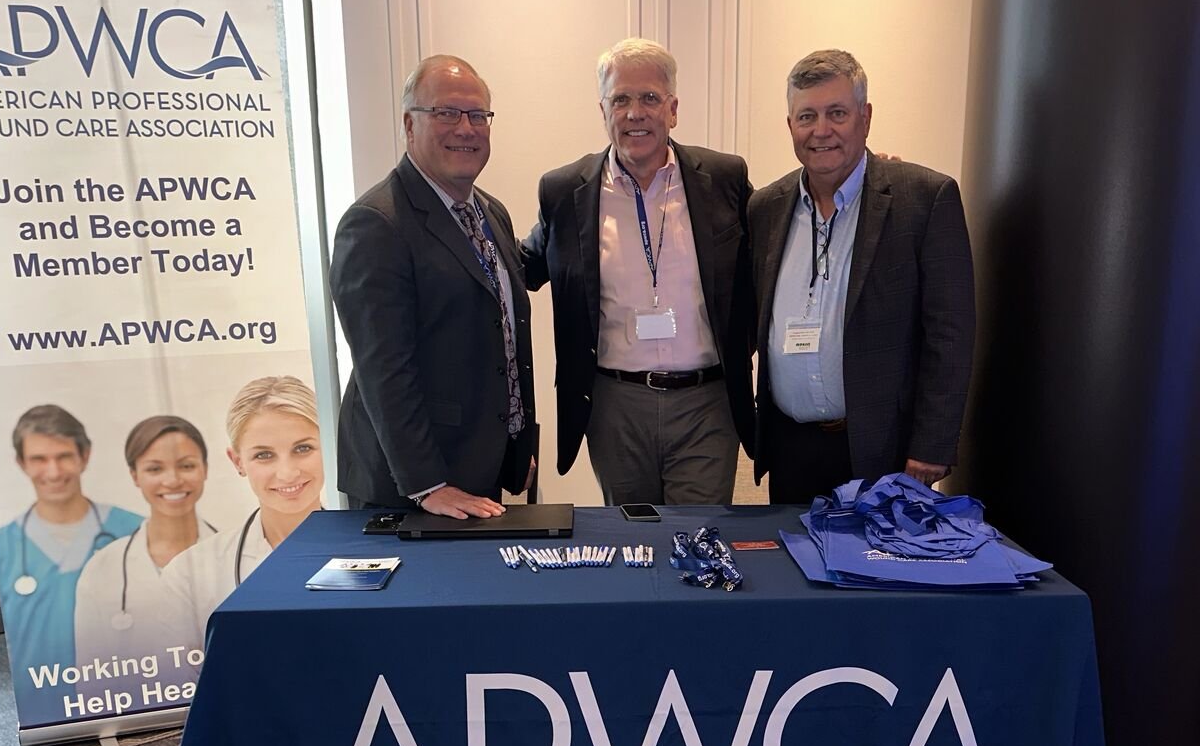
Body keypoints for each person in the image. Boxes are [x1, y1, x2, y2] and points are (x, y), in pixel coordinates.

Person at [521, 37, 755, 506]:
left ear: (673, 109)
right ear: (603, 110)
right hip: (614, 405)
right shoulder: (566, 191)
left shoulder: (724, 178)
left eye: (649, 98)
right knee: (635, 543)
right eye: (620, 100)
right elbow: (522, 268)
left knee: (697, 540)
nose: (635, 113)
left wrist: (867, 182)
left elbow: (778, 248)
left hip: (706, 403)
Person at [751, 49, 975, 503]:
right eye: (806, 116)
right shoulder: (766, 208)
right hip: (791, 447)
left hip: (882, 451)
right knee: (792, 569)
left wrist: (932, 445)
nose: (821, 130)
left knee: (877, 572)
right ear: (790, 125)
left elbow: (950, 335)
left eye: (837, 113)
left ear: (865, 117)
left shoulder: (924, 199)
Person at [330, 54, 537, 518]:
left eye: (477, 115)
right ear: (409, 124)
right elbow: (384, 371)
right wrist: (428, 486)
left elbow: (501, 332)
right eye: (445, 112)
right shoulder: (376, 224)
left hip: (477, 470)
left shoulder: (489, 212)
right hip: (408, 489)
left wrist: (517, 443)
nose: (465, 128)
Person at [0, 405, 143, 724]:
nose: (53, 471)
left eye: (63, 456)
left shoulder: (135, 532)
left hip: (129, 702)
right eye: (39, 459)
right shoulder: (1, 547)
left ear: (84, 456)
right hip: (40, 713)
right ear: (22, 463)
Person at [160, 376, 324, 648]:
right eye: (264, 455)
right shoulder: (189, 575)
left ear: (329, 446)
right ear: (238, 462)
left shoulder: (374, 556)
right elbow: (184, 684)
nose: (287, 473)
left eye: (303, 448)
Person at [73, 416, 217, 676]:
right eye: (154, 469)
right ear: (134, 476)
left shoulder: (237, 557)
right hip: (134, 710)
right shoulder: (102, 569)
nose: (172, 480)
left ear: (205, 469)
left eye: (186, 466)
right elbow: (90, 677)